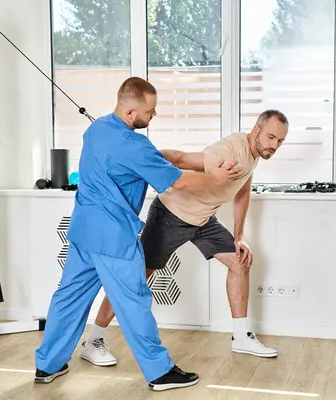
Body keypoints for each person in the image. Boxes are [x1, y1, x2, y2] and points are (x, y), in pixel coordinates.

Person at [33, 77, 242, 392]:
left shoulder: (95, 130)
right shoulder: (134, 145)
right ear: (131, 113)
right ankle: (160, 372)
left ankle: (47, 364)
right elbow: (179, 182)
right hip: (114, 237)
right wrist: (214, 177)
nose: (153, 116)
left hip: (83, 231)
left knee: (69, 297)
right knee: (134, 301)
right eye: (150, 111)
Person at [80, 110, 289, 367]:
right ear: (256, 130)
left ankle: (240, 336)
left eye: (280, 141)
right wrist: (141, 160)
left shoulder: (253, 156)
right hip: (171, 216)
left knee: (239, 261)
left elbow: (242, 190)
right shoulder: (230, 152)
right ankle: (94, 340)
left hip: (203, 219)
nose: (274, 145)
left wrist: (240, 235)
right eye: (271, 137)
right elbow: (179, 158)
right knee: (134, 278)